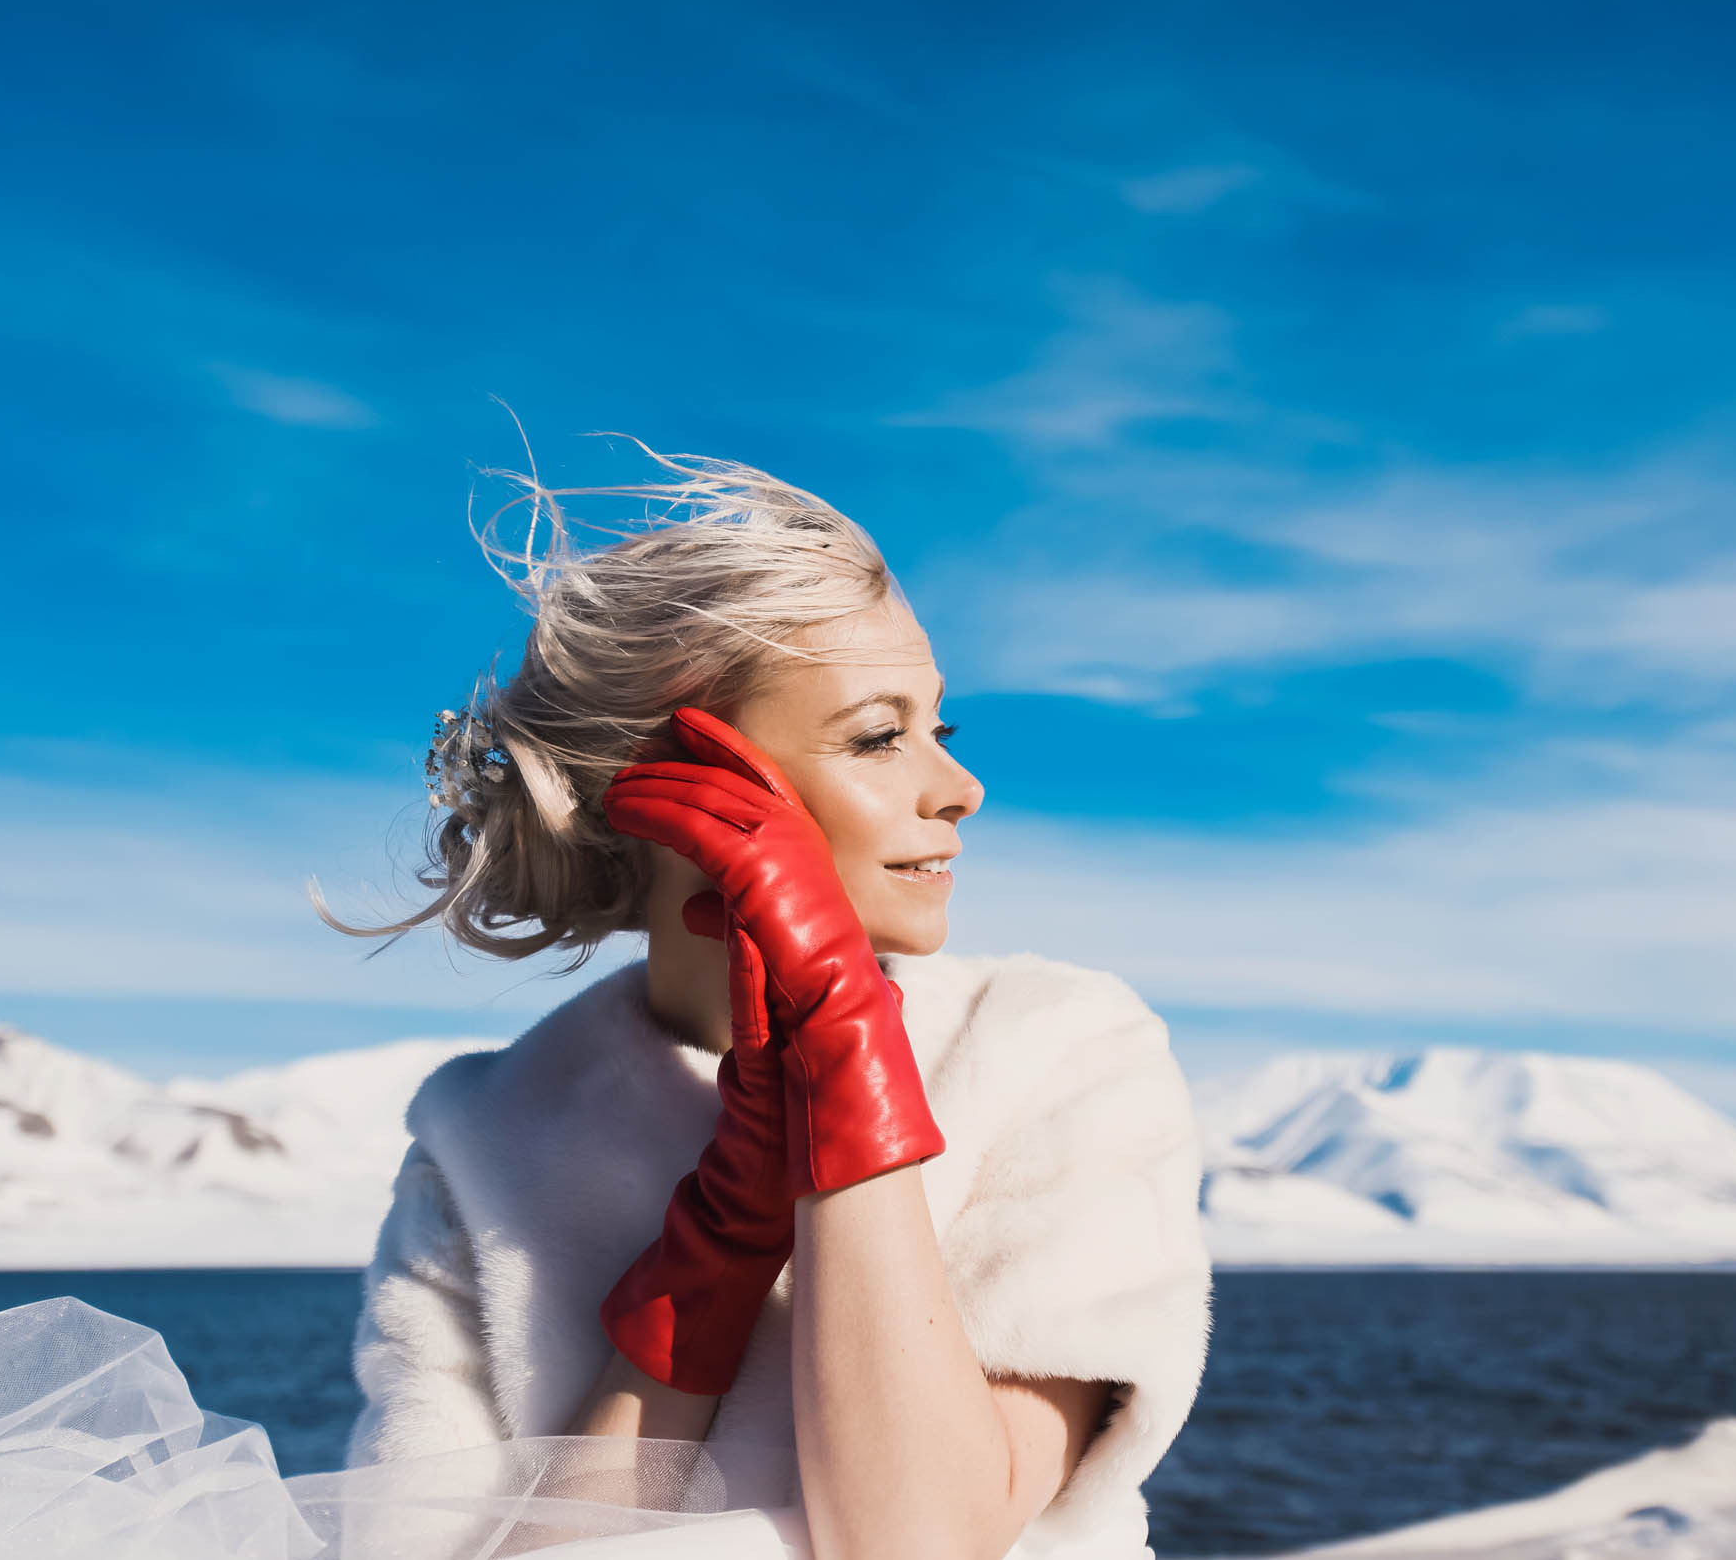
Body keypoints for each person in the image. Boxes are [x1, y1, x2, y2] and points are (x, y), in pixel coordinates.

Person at [322, 447, 1215, 1558]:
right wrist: (704, 1266)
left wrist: (847, 1072)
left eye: (942, 728)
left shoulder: (1057, 1047)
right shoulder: (481, 1133)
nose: (959, 788)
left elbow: (926, 1542)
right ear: (682, 792)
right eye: (878, 735)